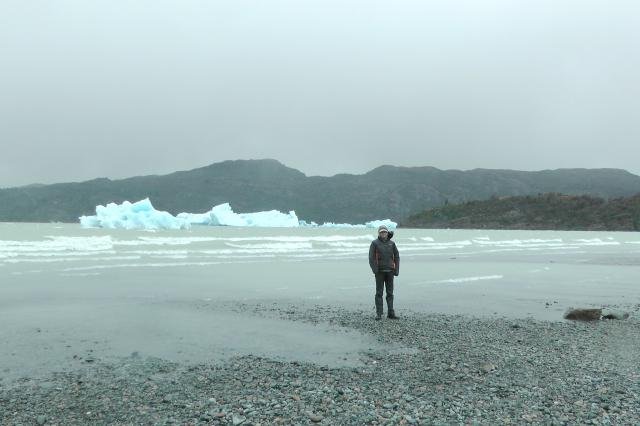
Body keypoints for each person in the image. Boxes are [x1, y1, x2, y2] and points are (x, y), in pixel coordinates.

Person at [369, 225, 400, 320]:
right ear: (379, 233)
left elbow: (397, 256)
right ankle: (379, 313)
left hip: (390, 271)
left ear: (387, 233)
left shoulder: (392, 243)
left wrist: (396, 270)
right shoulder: (375, 243)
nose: (383, 233)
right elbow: (371, 258)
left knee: (390, 293)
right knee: (379, 293)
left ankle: (391, 313)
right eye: (381, 232)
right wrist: (375, 270)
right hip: (379, 272)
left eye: (385, 232)